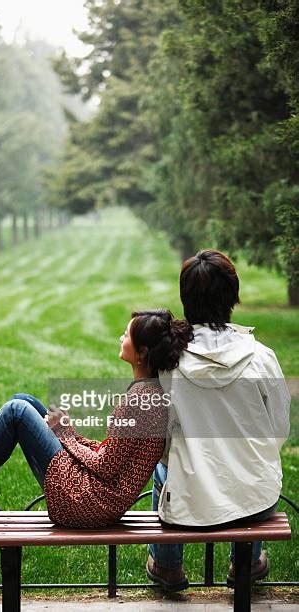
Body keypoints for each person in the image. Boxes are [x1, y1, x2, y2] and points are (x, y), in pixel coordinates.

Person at [0, 309, 193, 535]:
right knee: (26, 400)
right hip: (98, 498)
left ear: (142, 352)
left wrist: (65, 434)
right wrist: (70, 433)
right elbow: (113, 455)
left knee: (17, 410)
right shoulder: (149, 392)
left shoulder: (140, 400)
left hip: (87, 504)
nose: (121, 337)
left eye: (127, 333)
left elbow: (106, 468)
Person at [146, 249, 291, 592]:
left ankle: (168, 567)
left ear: (185, 299)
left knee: (163, 469)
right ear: (233, 296)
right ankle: (248, 563)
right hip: (256, 503)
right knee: (253, 462)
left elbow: (162, 446)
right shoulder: (261, 358)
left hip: (188, 504)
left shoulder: (169, 364)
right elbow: (278, 430)